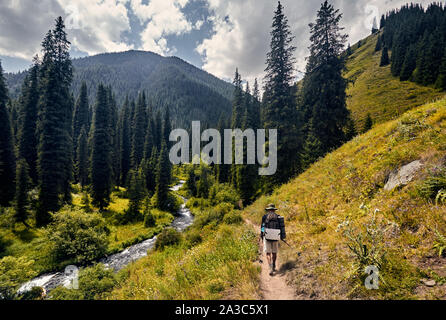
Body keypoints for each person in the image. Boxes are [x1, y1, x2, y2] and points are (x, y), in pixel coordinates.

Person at [260, 204, 286, 276]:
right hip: (275, 236)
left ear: (268, 210)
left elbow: (262, 227)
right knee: (274, 252)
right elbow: (282, 227)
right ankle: (274, 265)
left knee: (268, 253)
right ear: (274, 210)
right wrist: (282, 236)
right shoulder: (278, 217)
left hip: (267, 236)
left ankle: (270, 266)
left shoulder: (264, 217)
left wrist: (262, 236)